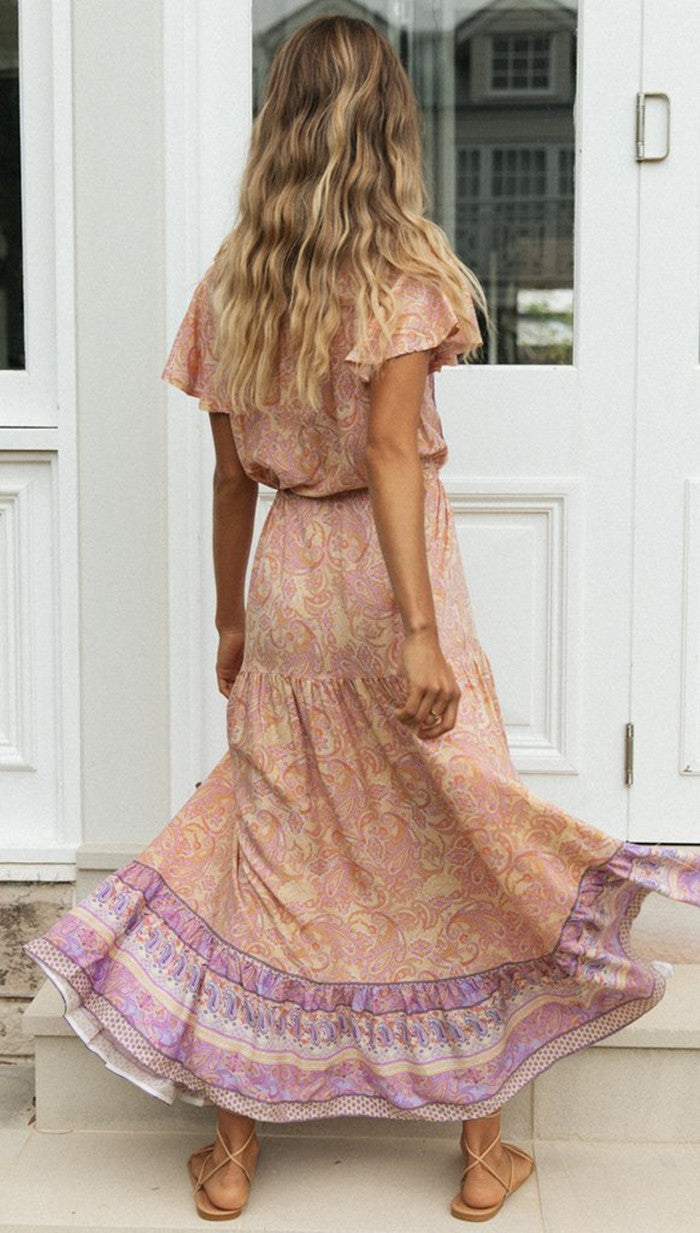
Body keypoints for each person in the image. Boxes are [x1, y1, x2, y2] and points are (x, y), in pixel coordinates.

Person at [23, 13, 700, 1225]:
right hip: (385, 586)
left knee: (272, 852)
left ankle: (231, 1156)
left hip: (287, 582)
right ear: (390, 127)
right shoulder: (408, 283)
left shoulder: (233, 283)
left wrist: (229, 623)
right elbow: (391, 449)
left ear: (277, 124)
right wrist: (421, 632)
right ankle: (480, 1156)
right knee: (449, 837)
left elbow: (234, 481)